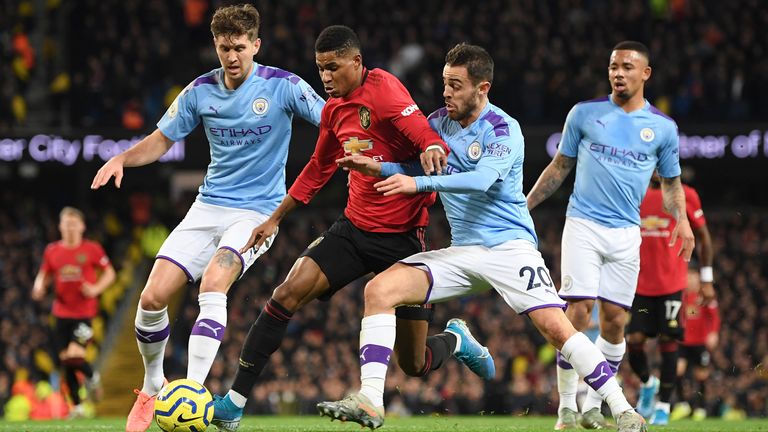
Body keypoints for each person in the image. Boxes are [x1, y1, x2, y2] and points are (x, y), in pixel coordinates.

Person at [317, 43, 646, 432]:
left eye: (456, 85)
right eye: (444, 84)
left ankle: (624, 410)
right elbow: (414, 162)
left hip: (510, 248)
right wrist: (378, 167)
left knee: (557, 329)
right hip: (464, 250)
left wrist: (417, 183)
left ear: (482, 88)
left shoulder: (504, 129)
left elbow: (480, 180)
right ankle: (371, 399)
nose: (446, 93)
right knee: (379, 290)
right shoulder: (438, 122)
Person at [210, 26, 492, 432]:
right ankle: (234, 404)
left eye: (332, 68)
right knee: (285, 293)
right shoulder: (333, 110)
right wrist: (275, 218)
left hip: (403, 240)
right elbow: (318, 168)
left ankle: (456, 340)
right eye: (320, 68)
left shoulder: (384, 89)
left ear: (356, 63)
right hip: (354, 230)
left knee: (414, 365)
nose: (325, 77)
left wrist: (432, 147)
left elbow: (424, 135)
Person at [90, 5, 325, 432]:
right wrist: (123, 157)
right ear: (215, 46)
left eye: (239, 47)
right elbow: (162, 140)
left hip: (256, 214)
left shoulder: (285, 87)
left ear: (256, 45)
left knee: (215, 282)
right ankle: (153, 386)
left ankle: (192, 396)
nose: (231, 56)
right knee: (151, 298)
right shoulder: (199, 91)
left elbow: (331, 119)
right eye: (223, 48)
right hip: (208, 206)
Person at [525, 40, 695, 430]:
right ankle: (567, 407)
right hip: (583, 225)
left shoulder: (663, 129)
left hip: (626, 233)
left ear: (645, 74)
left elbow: (671, 185)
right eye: (613, 66)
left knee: (616, 322)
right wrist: (525, 205)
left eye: (627, 67)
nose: (619, 73)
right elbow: (559, 166)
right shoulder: (584, 114)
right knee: (578, 312)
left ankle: (593, 406)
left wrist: (681, 220)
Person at [627, 173, 714, 424]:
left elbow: (704, 237)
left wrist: (706, 279)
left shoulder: (685, 194)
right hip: (639, 286)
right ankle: (647, 383)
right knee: (634, 341)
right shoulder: (634, 191)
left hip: (673, 286)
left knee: (669, 342)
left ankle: (664, 405)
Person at [32, 207, 116, 418]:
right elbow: (45, 273)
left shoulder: (91, 249)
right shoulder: (52, 250)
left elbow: (110, 273)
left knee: (74, 354)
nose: (69, 227)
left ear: (82, 226)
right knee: (65, 362)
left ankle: (92, 377)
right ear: (60, 226)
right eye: (66, 223)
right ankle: (77, 407)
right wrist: (39, 286)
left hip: (84, 313)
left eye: (73, 223)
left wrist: (96, 289)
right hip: (60, 313)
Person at [669, 266, 720, 421]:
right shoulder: (681, 296)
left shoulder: (705, 295)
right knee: (678, 370)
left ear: (698, 279)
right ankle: (683, 404)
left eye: (693, 277)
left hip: (700, 343)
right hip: (683, 341)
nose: (690, 280)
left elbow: (714, 317)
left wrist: (713, 333)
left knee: (701, 375)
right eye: (688, 277)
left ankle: (701, 408)